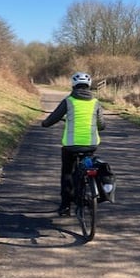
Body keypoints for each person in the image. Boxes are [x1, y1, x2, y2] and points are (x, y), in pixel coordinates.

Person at [42, 72, 106, 216]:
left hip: (71, 146)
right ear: (89, 86)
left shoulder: (69, 101)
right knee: (87, 166)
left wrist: (45, 124)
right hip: (91, 145)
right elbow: (101, 125)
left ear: (73, 85)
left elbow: (54, 118)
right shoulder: (96, 103)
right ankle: (87, 191)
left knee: (67, 173)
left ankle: (65, 206)